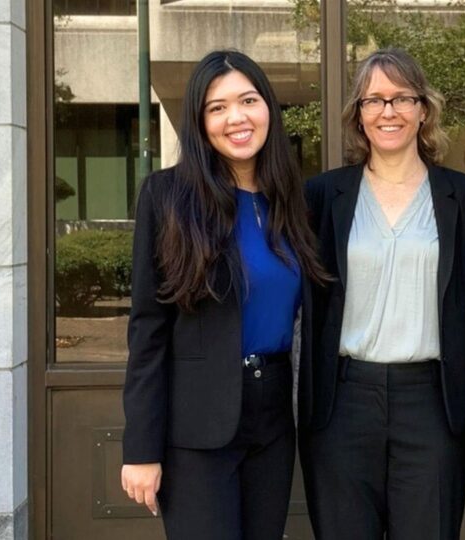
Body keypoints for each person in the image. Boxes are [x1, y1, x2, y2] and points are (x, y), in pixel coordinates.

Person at [119, 50, 328, 540]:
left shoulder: (291, 200)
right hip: (197, 425)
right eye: (217, 107)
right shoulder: (167, 196)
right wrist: (140, 448)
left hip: (273, 418)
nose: (236, 117)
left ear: (268, 111)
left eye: (248, 100)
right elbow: (148, 328)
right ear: (200, 121)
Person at [298, 48, 465, 540]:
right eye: (374, 100)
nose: (388, 111)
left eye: (402, 98)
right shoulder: (321, 197)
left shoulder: (464, 199)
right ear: (358, 114)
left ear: (424, 109)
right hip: (343, 402)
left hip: (431, 403)